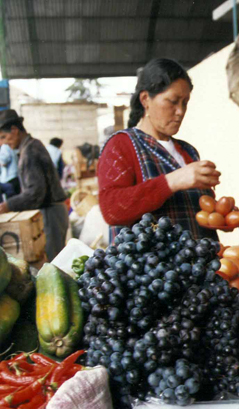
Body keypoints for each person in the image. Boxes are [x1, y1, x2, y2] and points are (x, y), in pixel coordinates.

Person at [97, 58, 221, 242]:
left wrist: (219, 214)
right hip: (153, 267)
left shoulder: (188, 151)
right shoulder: (122, 145)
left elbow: (191, 210)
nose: (180, 111)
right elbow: (112, 210)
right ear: (145, 99)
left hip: (198, 265)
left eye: (185, 103)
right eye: (173, 101)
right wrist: (173, 181)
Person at [0, 110, 69, 261]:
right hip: (52, 211)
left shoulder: (30, 150)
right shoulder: (29, 146)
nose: (3, 143)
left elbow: (35, 192)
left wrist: (7, 205)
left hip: (51, 212)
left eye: (3, 137)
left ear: (15, 130)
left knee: (54, 263)